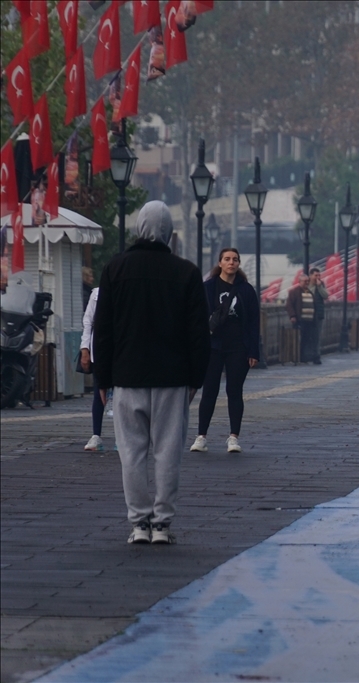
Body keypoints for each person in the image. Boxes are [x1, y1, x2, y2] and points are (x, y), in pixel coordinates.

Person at [93, 201, 210, 545]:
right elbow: (198, 333)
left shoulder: (115, 269)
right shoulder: (186, 273)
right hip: (172, 378)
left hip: (128, 376)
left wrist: (103, 377)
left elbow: (104, 329)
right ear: (170, 233)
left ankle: (139, 523)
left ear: (138, 229)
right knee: (168, 451)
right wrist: (196, 378)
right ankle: (162, 524)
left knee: (131, 452)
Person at [190, 248, 261, 454]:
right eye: (227, 259)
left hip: (238, 347)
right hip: (213, 346)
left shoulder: (246, 290)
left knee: (234, 391)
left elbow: (254, 322)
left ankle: (233, 437)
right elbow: (197, 317)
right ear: (220, 263)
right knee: (209, 390)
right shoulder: (208, 288)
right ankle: (201, 436)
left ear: (239, 264)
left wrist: (254, 351)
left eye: (235, 259)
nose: (231, 263)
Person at [80, 286, 105, 451]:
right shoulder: (97, 293)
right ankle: (96, 434)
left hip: (122, 351)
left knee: (121, 397)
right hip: (99, 349)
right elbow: (88, 321)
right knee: (98, 394)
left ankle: (122, 437)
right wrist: (85, 349)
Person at [285, 273, 316, 363]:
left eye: (307, 281)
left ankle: (303, 357)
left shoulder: (310, 292)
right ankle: (296, 357)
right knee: (298, 340)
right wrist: (293, 316)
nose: (306, 283)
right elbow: (289, 305)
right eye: (305, 281)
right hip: (299, 320)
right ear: (299, 282)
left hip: (309, 320)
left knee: (306, 339)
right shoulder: (294, 292)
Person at [309, 267, 329, 364]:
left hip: (318, 314)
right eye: (315, 275)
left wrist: (320, 287)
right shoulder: (308, 285)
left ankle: (316, 356)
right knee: (309, 335)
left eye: (319, 275)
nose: (317, 277)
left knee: (317, 336)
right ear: (311, 276)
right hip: (308, 314)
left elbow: (325, 295)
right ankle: (308, 354)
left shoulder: (321, 285)